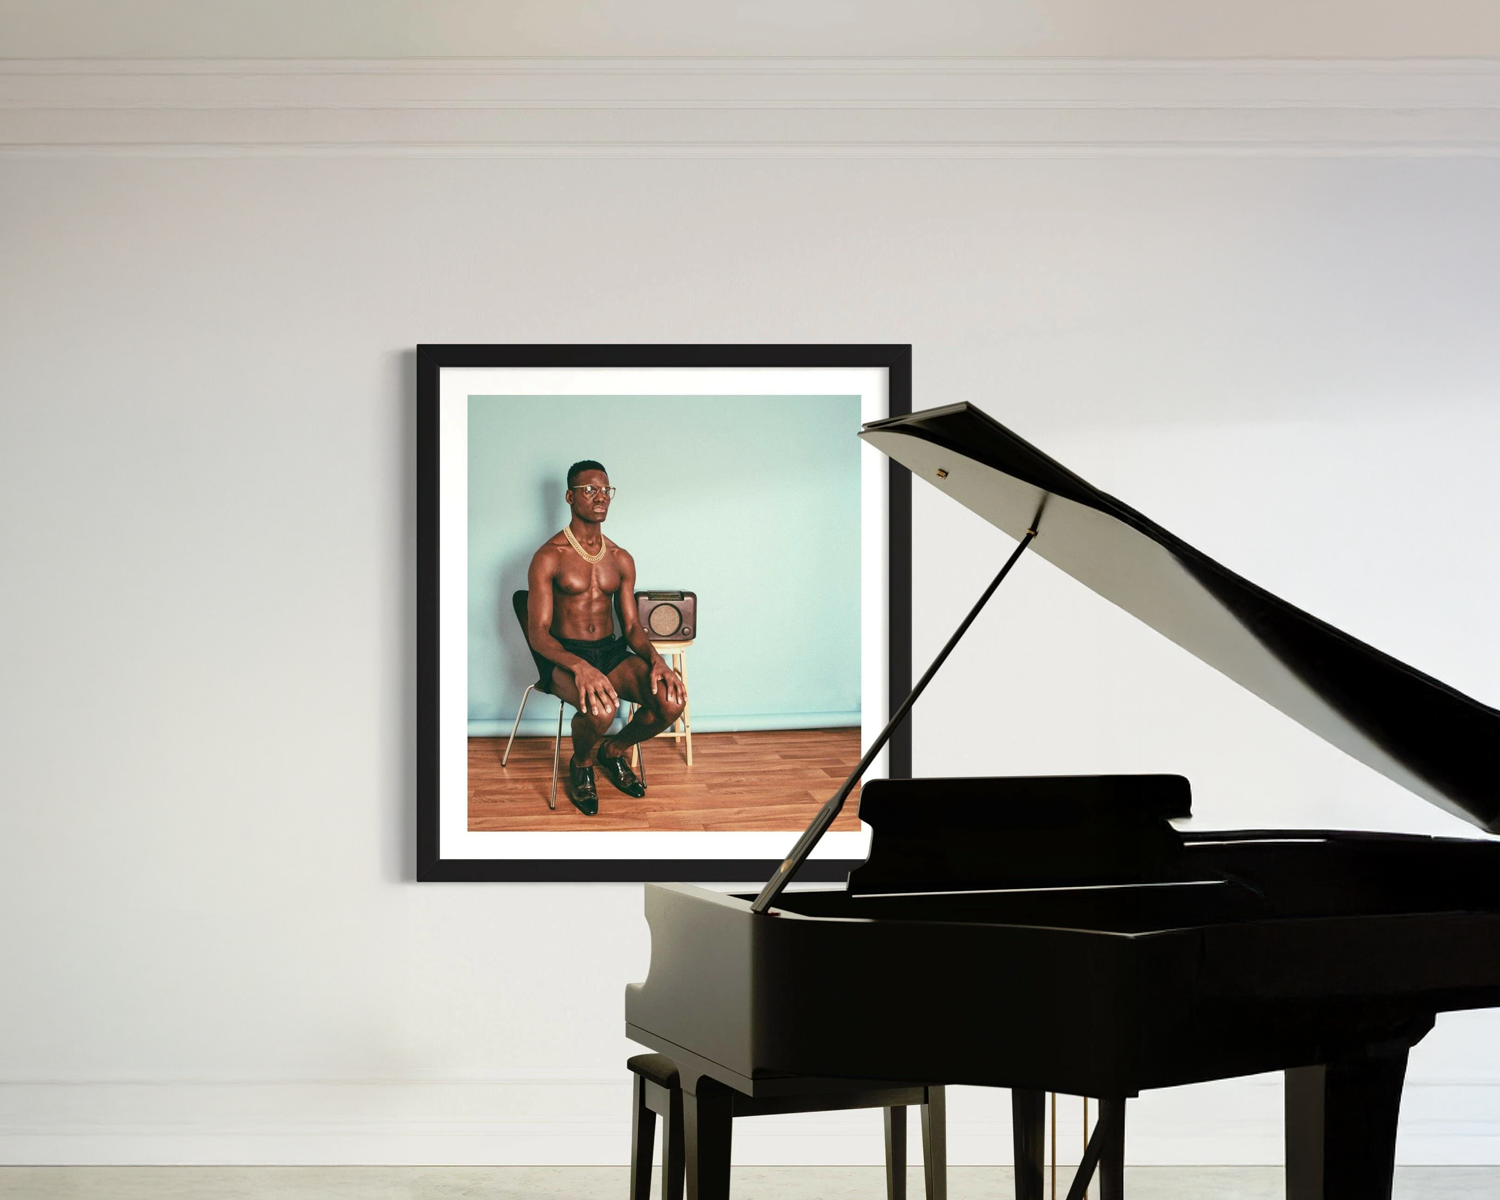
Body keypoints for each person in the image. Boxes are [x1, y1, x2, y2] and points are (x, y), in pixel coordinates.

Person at [524, 460, 687, 815]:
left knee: (671, 702)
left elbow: (631, 628)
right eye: (589, 490)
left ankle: (612, 752)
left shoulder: (620, 558)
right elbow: (537, 634)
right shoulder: (549, 557)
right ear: (570, 496)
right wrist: (579, 667)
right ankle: (581, 764)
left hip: (610, 652)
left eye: (605, 490)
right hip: (564, 655)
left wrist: (657, 661)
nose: (600, 497)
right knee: (602, 709)